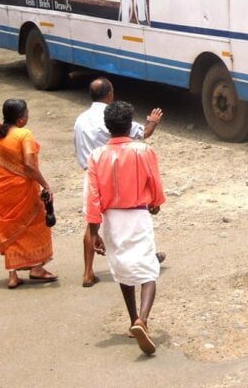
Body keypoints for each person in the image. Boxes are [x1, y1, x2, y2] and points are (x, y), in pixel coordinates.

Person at [86, 101, 167, 355]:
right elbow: (155, 181)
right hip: (138, 215)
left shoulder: (97, 156)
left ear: (107, 126)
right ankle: (142, 319)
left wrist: (93, 232)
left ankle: (133, 320)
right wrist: (156, 202)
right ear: (130, 124)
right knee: (148, 269)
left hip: (112, 218)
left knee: (122, 269)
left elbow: (92, 197)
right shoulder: (143, 151)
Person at [74, 77, 163, 288]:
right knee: (128, 217)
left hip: (91, 172)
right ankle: (140, 262)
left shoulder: (80, 119)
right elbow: (143, 133)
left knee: (92, 222)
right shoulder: (113, 115)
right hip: (114, 171)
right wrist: (153, 121)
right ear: (110, 94)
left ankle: (88, 271)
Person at [0, 99, 57, 288]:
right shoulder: (24, 134)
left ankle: (12, 275)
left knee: (8, 228)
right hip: (23, 189)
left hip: (2, 187)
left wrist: (4, 172)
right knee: (37, 224)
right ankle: (37, 268)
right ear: (21, 119)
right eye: (27, 113)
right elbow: (30, 165)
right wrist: (45, 185)